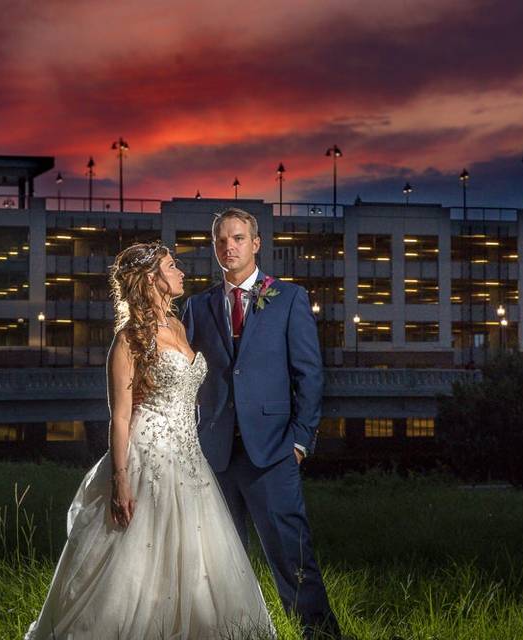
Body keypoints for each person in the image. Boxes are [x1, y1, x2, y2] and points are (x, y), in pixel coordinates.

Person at [24, 241, 276, 640]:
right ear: (151, 279)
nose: (181, 273)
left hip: (189, 458)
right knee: (140, 560)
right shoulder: (128, 340)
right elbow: (120, 416)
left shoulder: (177, 326)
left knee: (197, 559)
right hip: (148, 456)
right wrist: (120, 479)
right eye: (172, 266)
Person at [182, 208, 342, 640]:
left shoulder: (288, 299)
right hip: (214, 456)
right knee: (218, 564)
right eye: (220, 241)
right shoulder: (196, 307)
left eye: (237, 238)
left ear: (256, 244)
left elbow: (309, 374)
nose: (228, 247)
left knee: (293, 556)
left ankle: (321, 635)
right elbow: (189, 379)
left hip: (273, 452)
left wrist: (300, 442)